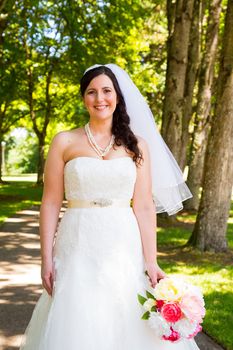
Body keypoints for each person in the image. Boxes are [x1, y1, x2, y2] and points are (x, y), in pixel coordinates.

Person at [19, 64, 199, 350]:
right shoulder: (64, 141)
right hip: (76, 240)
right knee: (75, 312)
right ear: (83, 98)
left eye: (106, 91)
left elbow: (143, 206)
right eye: (91, 92)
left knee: (124, 308)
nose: (99, 98)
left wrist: (151, 261)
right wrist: (46, 258)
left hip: (122, 239)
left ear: (117, 96)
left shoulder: (137, 146)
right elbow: (51, 202)